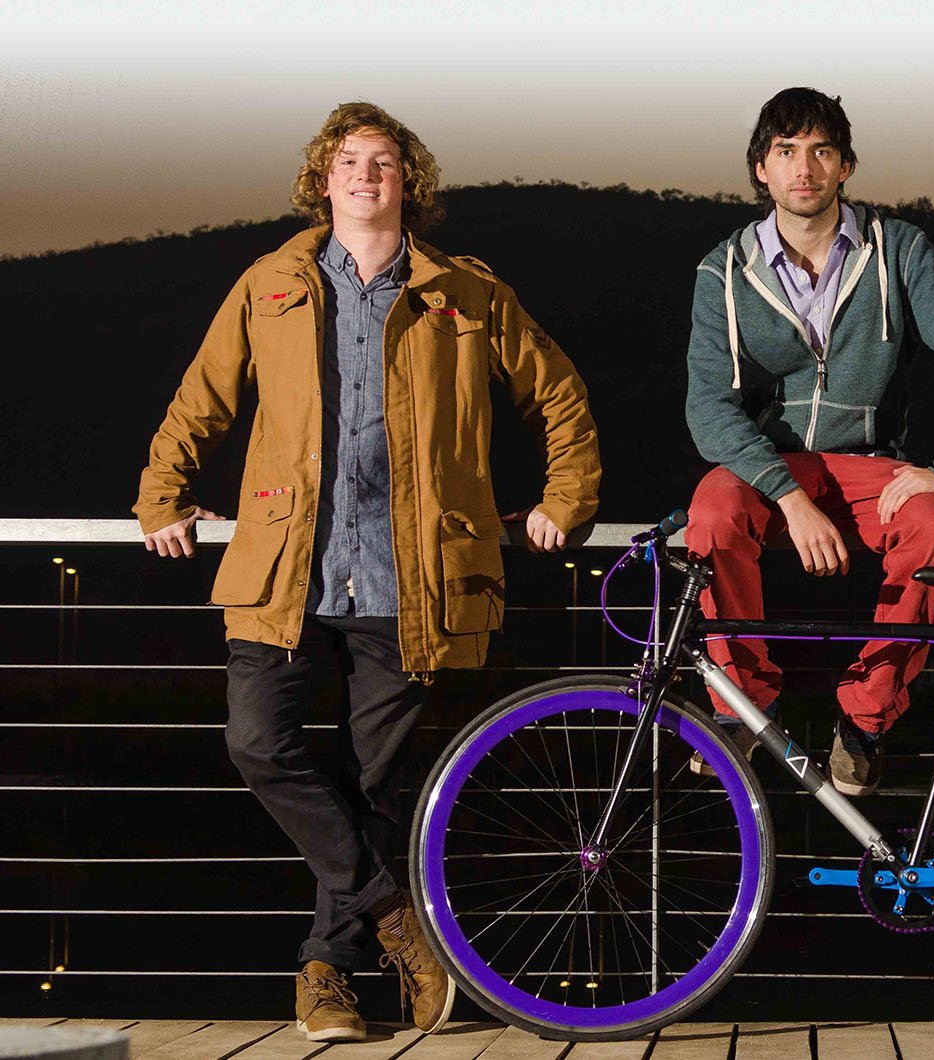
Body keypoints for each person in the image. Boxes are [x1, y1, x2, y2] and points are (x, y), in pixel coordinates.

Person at [133, 101, 601, 1042]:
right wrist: (162, 497)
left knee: (380, 791)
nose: (365, 174)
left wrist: (566, 502)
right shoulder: (271, 282)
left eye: (383, 161)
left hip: (411, 581)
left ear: (408, 182)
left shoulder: (465, 293)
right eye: (349, 160)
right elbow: (201, 398)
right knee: (258, 744)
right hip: (286, 572)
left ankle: (324, 979)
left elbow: (558, 396)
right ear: (324, 177)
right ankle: (400, 924)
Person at [683, 87, 934, 796]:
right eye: (786, 151)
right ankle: (742, 703)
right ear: (761, 169)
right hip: (772, 467)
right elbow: (708, 406)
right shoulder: (724, 270)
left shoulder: (898, 249)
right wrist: (790, 498)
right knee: (711, 512)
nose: (805, 168)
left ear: (846, 166)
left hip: (870, 464)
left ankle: (866, 716)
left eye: (821, 151)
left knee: (933, 524)